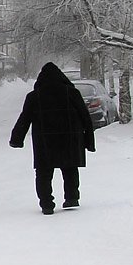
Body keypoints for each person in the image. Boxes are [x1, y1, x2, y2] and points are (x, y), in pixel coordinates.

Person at [10, 63, 96, 215]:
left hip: (44, 142)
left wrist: (17, 139)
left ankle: (47, 204)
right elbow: (85, 117)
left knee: (43, 173)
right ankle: (71, 198)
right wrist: (89, 141)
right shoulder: (72, 93)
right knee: (70, 168)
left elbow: (24, 118)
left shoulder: (34, 96)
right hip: (69, 139)